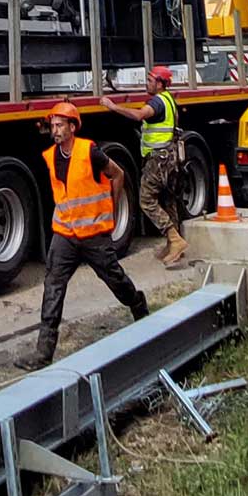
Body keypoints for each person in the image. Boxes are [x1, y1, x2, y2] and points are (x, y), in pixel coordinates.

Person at [17, 102, 148, 370]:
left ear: (73, 127)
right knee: (53, 286)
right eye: (52, 126)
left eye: (60, 125)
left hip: (93, 234)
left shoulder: (89, 151)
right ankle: (43, 353)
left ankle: (138, 305)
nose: (55, 130)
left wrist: (111, 210)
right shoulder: (50, 156)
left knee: (114, 278)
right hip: (65, 232)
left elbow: (118, 175)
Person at [99, 65, 187, 266]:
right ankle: (173, 245)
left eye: (150, 80)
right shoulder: (169, 100)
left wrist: (112, 107)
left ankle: (175, 239)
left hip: (159, 160)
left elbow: (140, 115)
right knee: (168, 200)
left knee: (146, 200)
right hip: (170, 158)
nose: (146, 83)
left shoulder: (157, 102)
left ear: (160, 83)